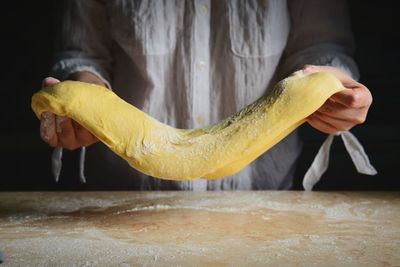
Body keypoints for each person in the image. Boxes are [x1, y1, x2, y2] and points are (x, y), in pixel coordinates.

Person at [39, 0, 372, 190]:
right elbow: (83, 52)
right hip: (125, 199)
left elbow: (321, 46)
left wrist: (337, 87)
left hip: (259, 203)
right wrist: (86, 100)